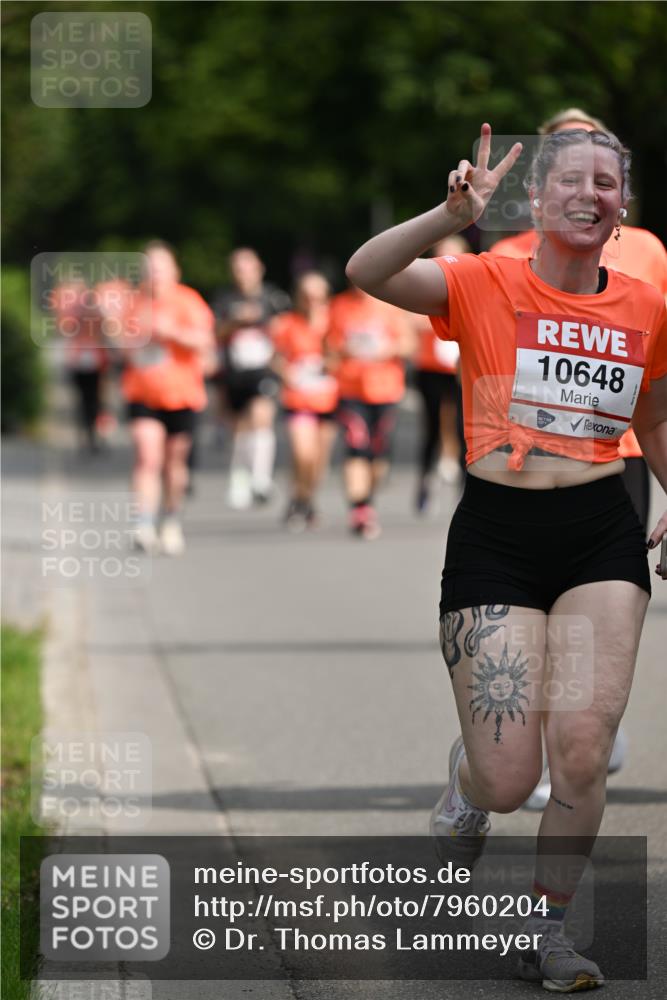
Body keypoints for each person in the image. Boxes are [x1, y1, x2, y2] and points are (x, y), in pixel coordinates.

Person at [346, 124, 667, 990]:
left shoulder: (645, 305)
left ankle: (546, 931)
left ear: (620, 205)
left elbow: (653, 418)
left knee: (581, 749)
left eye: (606, 182)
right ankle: (463, 787)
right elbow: (366, 272)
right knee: (504, 776)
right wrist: (446, 217)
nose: (589, 194)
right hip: (496, 538)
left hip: (600, 532)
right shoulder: (482, 281)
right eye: (570, 179)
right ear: (536, 199)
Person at [490, 108, 667, 806]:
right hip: (528, 459)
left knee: (598, 604)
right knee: (533, 610)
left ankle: (582, 727)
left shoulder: (648, 250)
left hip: (620, 451)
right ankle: (527, 757)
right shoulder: (504, 258)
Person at [121, 241, 215, 555]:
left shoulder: (189, 301)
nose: (155, 273)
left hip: (183, 395)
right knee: (147, 457)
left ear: (174, 270)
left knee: (174, 465)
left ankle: (171, 520)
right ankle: (143, 523)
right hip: (142, 392)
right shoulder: (133, 303)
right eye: (150, 267)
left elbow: (205, 342)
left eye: (161, 267)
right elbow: (121, 347)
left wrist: (172, 333)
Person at [326, 284, 413, 539]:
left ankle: (367, 499)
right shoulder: (339, 305)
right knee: (356, 444)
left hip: (385, 389)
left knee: (378, 454)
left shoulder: (390, 305)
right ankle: (359, 508)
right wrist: (344, 350)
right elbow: (328, 346)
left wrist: (387, 349)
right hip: (350, 389)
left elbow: (408, 344)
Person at [213, 247, 290, 508]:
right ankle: (240, 477)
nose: (243, 274)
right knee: (240, 428)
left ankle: (261, 479)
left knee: (261, 418)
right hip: (234, 372)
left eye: (247, 268)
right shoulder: (225, 300)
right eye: (238, 269)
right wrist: (236, 322)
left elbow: (287, 331)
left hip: (264, 369)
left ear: (259, 269)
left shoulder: (273, 298)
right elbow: (216, 333)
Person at [270, 272, 338, 531]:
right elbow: (275, 358)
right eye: (307, 296)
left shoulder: (334, 323)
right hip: (298, 398)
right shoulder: (287, 324)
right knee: (302, 453)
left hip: (329, 398)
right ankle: (298, 497)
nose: (312, 301)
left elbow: (345, 354)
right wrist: (285, 371)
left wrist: (332, 362)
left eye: (318, 296)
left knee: (319, 459)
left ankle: (306, 499)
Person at [412, 235, 468, 513]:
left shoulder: (471, 285)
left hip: (461, 370)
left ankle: (464, 488)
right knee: (433, 426)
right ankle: (425, 481)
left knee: (462, 427)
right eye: (442, 253)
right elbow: (408, 318)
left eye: (453, 254)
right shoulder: (424, 285)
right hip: (431, 369)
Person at [50, 278, 110, 454]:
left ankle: (94, 435)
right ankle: (88, 436)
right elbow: (63, 331)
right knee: (85, 401)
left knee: (95, 401)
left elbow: (105, 333)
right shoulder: (73, 315)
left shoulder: (96, 313)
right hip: (79, 362)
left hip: (95, 362)